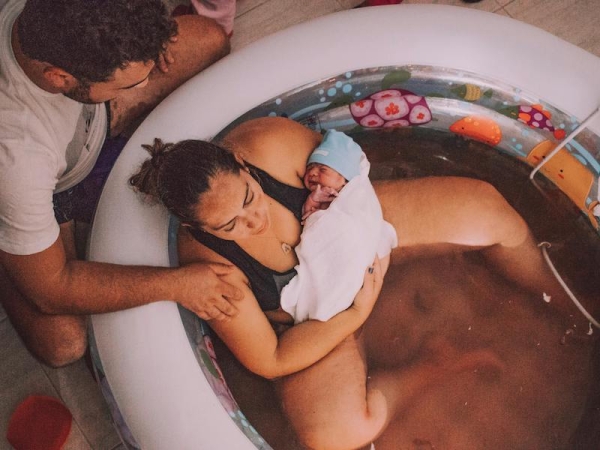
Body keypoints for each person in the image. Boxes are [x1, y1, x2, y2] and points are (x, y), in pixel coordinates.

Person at [130, 116, 556, 449]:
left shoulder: (268, 144)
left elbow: (347, 163)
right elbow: (271, 359)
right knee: (334, 433)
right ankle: (432, 368)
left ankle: (558, 296)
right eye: (230, 225)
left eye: (249, 198)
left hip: (362, 238)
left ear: (241, 165)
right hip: (316, 324)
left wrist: (359, 222)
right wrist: (356, 313)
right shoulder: (209, 265)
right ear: (196, 228)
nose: (254, 221)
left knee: (487, 210)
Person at [0, 0, 240, 369]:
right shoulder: (16, 156)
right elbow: (53, 288)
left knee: (208, 39)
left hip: (84, 123)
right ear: (59, 77)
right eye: (130, 83)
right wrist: (177, 284)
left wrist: (144, 43)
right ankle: (13, 248)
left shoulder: (57, 31)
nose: (146, 81)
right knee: (63, 343)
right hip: (51, 186)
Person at [281, 129, 397, 323]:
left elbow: (360, 223)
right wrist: (312, 204)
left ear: (344, 179)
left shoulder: (352, 197)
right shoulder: (318, 196)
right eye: (311, 168)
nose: (313, 173)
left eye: (323, 169)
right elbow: (309, 221)